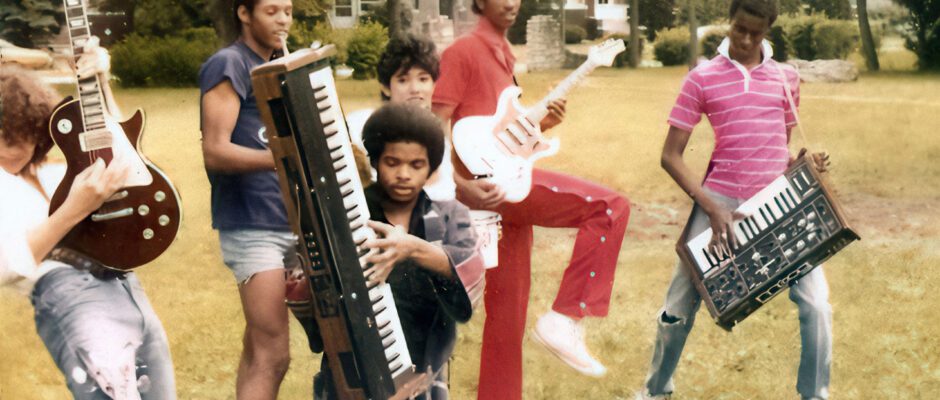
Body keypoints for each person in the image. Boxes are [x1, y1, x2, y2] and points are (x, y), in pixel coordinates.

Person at [431, 0, 632, 397]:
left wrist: (542, 123)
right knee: (609, 206)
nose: (510, 2)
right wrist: (459, 186)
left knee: (507, 321)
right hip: (490, 190)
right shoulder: (463, 52)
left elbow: (495, 133)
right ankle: (566, 316)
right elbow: (433, 129)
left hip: (507, 185)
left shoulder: (504, 56)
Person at [634, 1, 832, 399]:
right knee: (677, 308)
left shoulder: (786, 78)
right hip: (719, 199)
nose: (744, 40)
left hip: (778, 203)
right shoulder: (701, 78)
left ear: (767, 30)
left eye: (754, 33)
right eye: (738, 28)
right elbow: (669, 155)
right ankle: (655, 391)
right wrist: (712, 206)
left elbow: (780, 147)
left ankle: (815, 395)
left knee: (817, 306)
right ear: (730, 21)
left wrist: (802, 164)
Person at [0, 39, 177, 399]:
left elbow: (125, 164)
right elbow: (7, 264)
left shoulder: (51, 174)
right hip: (70, 296)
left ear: (35, 132)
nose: (3, 148)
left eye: (12, 136)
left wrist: (100, 82)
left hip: (125, 286)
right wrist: (75, 208)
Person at [312, 103, 485, 399]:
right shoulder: (349, 215)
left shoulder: (449, 217)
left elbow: (471, 274)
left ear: (431, 167)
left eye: (416, 165)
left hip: (422, 369)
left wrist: (412, 248)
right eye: (392, 162)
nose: (404, 174)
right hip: (354, 368)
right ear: (376, 161)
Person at [197, 0, 295, 398]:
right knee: (273, 354)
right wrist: (283, 160)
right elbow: (215, 151)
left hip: (292, 221)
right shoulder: (229, 64)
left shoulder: (281, 63)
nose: (284, 20)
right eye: (272, 11)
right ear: (243, 13)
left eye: (288, 10)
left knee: (258, 346)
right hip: (253, 226)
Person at [346, 32, 456, 201]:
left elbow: (446, 195)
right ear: (386, 87)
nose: (415, 89)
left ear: (434, 85)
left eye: (423, 79)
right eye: (403, 80)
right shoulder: (358, 125)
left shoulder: (439, 139)